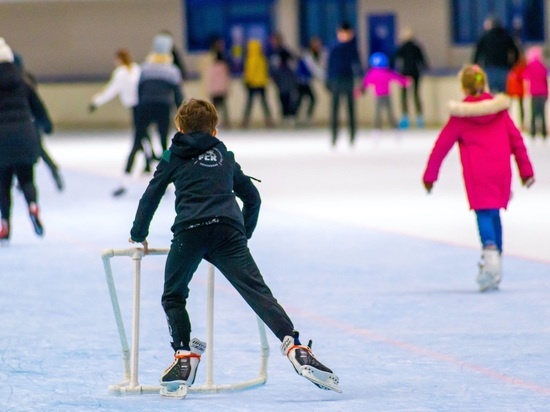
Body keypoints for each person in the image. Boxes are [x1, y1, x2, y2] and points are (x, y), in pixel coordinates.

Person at [128, 99, 340, 398]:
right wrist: (242, 235)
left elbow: (152, 195)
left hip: (189, 231)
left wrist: (138, 233)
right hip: (228, 232)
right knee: (258, 293)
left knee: (173, 295)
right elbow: (252, 198)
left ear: (179, 128)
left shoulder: (172, 154)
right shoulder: (224, 155)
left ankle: (184, 352)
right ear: (215, 130)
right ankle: (294, 345)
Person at [422, 65, 535, 292]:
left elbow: (441, 147)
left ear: (463, 87)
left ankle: (490, 257)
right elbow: (517, 142)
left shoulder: (461, 116)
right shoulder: (500, 112)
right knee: (494, 214)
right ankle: (497, 261)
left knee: (484, 212)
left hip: (478, 174)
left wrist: (430, 175)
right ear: (483, 84)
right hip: (501, 171)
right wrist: (526, 172)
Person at [112, 34, 183, 197]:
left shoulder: (144, 68)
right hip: (163, 108)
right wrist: (184, 117)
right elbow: (178, 96)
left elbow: (139, 91)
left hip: (144, 108)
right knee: (165, 145)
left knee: (137, 142)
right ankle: (164, 181)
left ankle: (124, 180)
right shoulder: (172, 71)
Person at [0, 38, 50, 242]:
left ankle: (5, 223)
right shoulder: (23, 80)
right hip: (24, 135)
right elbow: (38, 107)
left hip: (1, 140)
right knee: (27, 179)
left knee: (3, 184)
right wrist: (47, 125)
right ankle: (32, 205)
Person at [88, 49, 155, 193]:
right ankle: (149, 162)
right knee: (143, 136)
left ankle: (129, 178)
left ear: (119, 59)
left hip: (137, 108)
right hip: (146, 106)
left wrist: (95, 102)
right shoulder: (137, 69)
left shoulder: (121, 73)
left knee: (138, 139)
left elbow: (111, 90)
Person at [13, 53, 62, 191]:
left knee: (24, 152)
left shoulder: (16, 81)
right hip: (31, 123)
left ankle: (24, 180)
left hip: (24, 123)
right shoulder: (27, 79)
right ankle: (51, 170)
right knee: (38, 150)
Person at [326, 22, 362, 146]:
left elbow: (358, 64)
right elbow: (329, 65)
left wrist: (361, 81)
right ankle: (334, 136)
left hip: (348, 79)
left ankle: (352, 136)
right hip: (336, 79)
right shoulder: (334, 46)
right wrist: (328, 80)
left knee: (351, 109)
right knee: (334, 109)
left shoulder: (352, 47)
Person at [356, 52, 410, 129]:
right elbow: (397, 77)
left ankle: (377, 128)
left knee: (378, 113)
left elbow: (365, 84)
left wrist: (360, 91)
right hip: (386, 94)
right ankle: (394, 128)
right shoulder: (386, 72)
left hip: (378, 95)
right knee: (390, 112)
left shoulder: (372, 73)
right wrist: (405, 82)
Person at [391, 27, 429, 128]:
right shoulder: (416, 47)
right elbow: (423, 60)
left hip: (405, 73)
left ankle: (405, 118)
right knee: (416, 94)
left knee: (404, 96)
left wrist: (391, 68)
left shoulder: (402, 47)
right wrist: (425, 68)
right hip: (415, 72)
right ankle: (419, 118)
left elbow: (394, 58)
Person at [473, 17, 519, 94]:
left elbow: (477, 53)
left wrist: (477, 66)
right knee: (504, 94)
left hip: (489, 68)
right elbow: (515, 52)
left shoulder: (485, 37)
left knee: (492, 93)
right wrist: (511, 65)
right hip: (504, 68)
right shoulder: (507, 36)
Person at [241, 39, 274, 128]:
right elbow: (265, 71)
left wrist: (247, 81)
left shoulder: (250, 59)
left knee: (249, 104)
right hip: (261, 84)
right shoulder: (262, 58)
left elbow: (249, 72)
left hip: (252, 84)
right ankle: (269, 121)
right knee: (264, 103)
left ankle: (245, 122)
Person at [295, 37, 326, 126]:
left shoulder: (318, 54)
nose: (317, 46)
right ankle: (297, 117)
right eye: (315, 44)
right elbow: (314, 69)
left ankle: (306, 118)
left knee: (311, 99)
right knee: (301, 100)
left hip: (307, 82)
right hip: (301, 81)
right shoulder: (307, 55)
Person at [203, 37, 231, 128]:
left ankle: (219, 122)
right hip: (217, 87)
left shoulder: (220, 60)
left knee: (219, 106)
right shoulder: (217, 61)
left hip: (217, 87)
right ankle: (218, 122)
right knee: (218, 106)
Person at [522, 46, 548, 139]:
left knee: (533, 113)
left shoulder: (529, 67)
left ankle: (533, 132)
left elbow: (524, 77)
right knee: (542, 114)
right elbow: (545, 77)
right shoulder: (542, 66)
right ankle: (544, 132)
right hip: (543, 93)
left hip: (534, 93)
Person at [505, 53, 526, 130]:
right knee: (513, 107)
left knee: (518, 108)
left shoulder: (519, 68)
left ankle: (520, 123)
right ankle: (509, 123)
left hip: (517, 91)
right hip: (514, 91)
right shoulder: (515, 69)